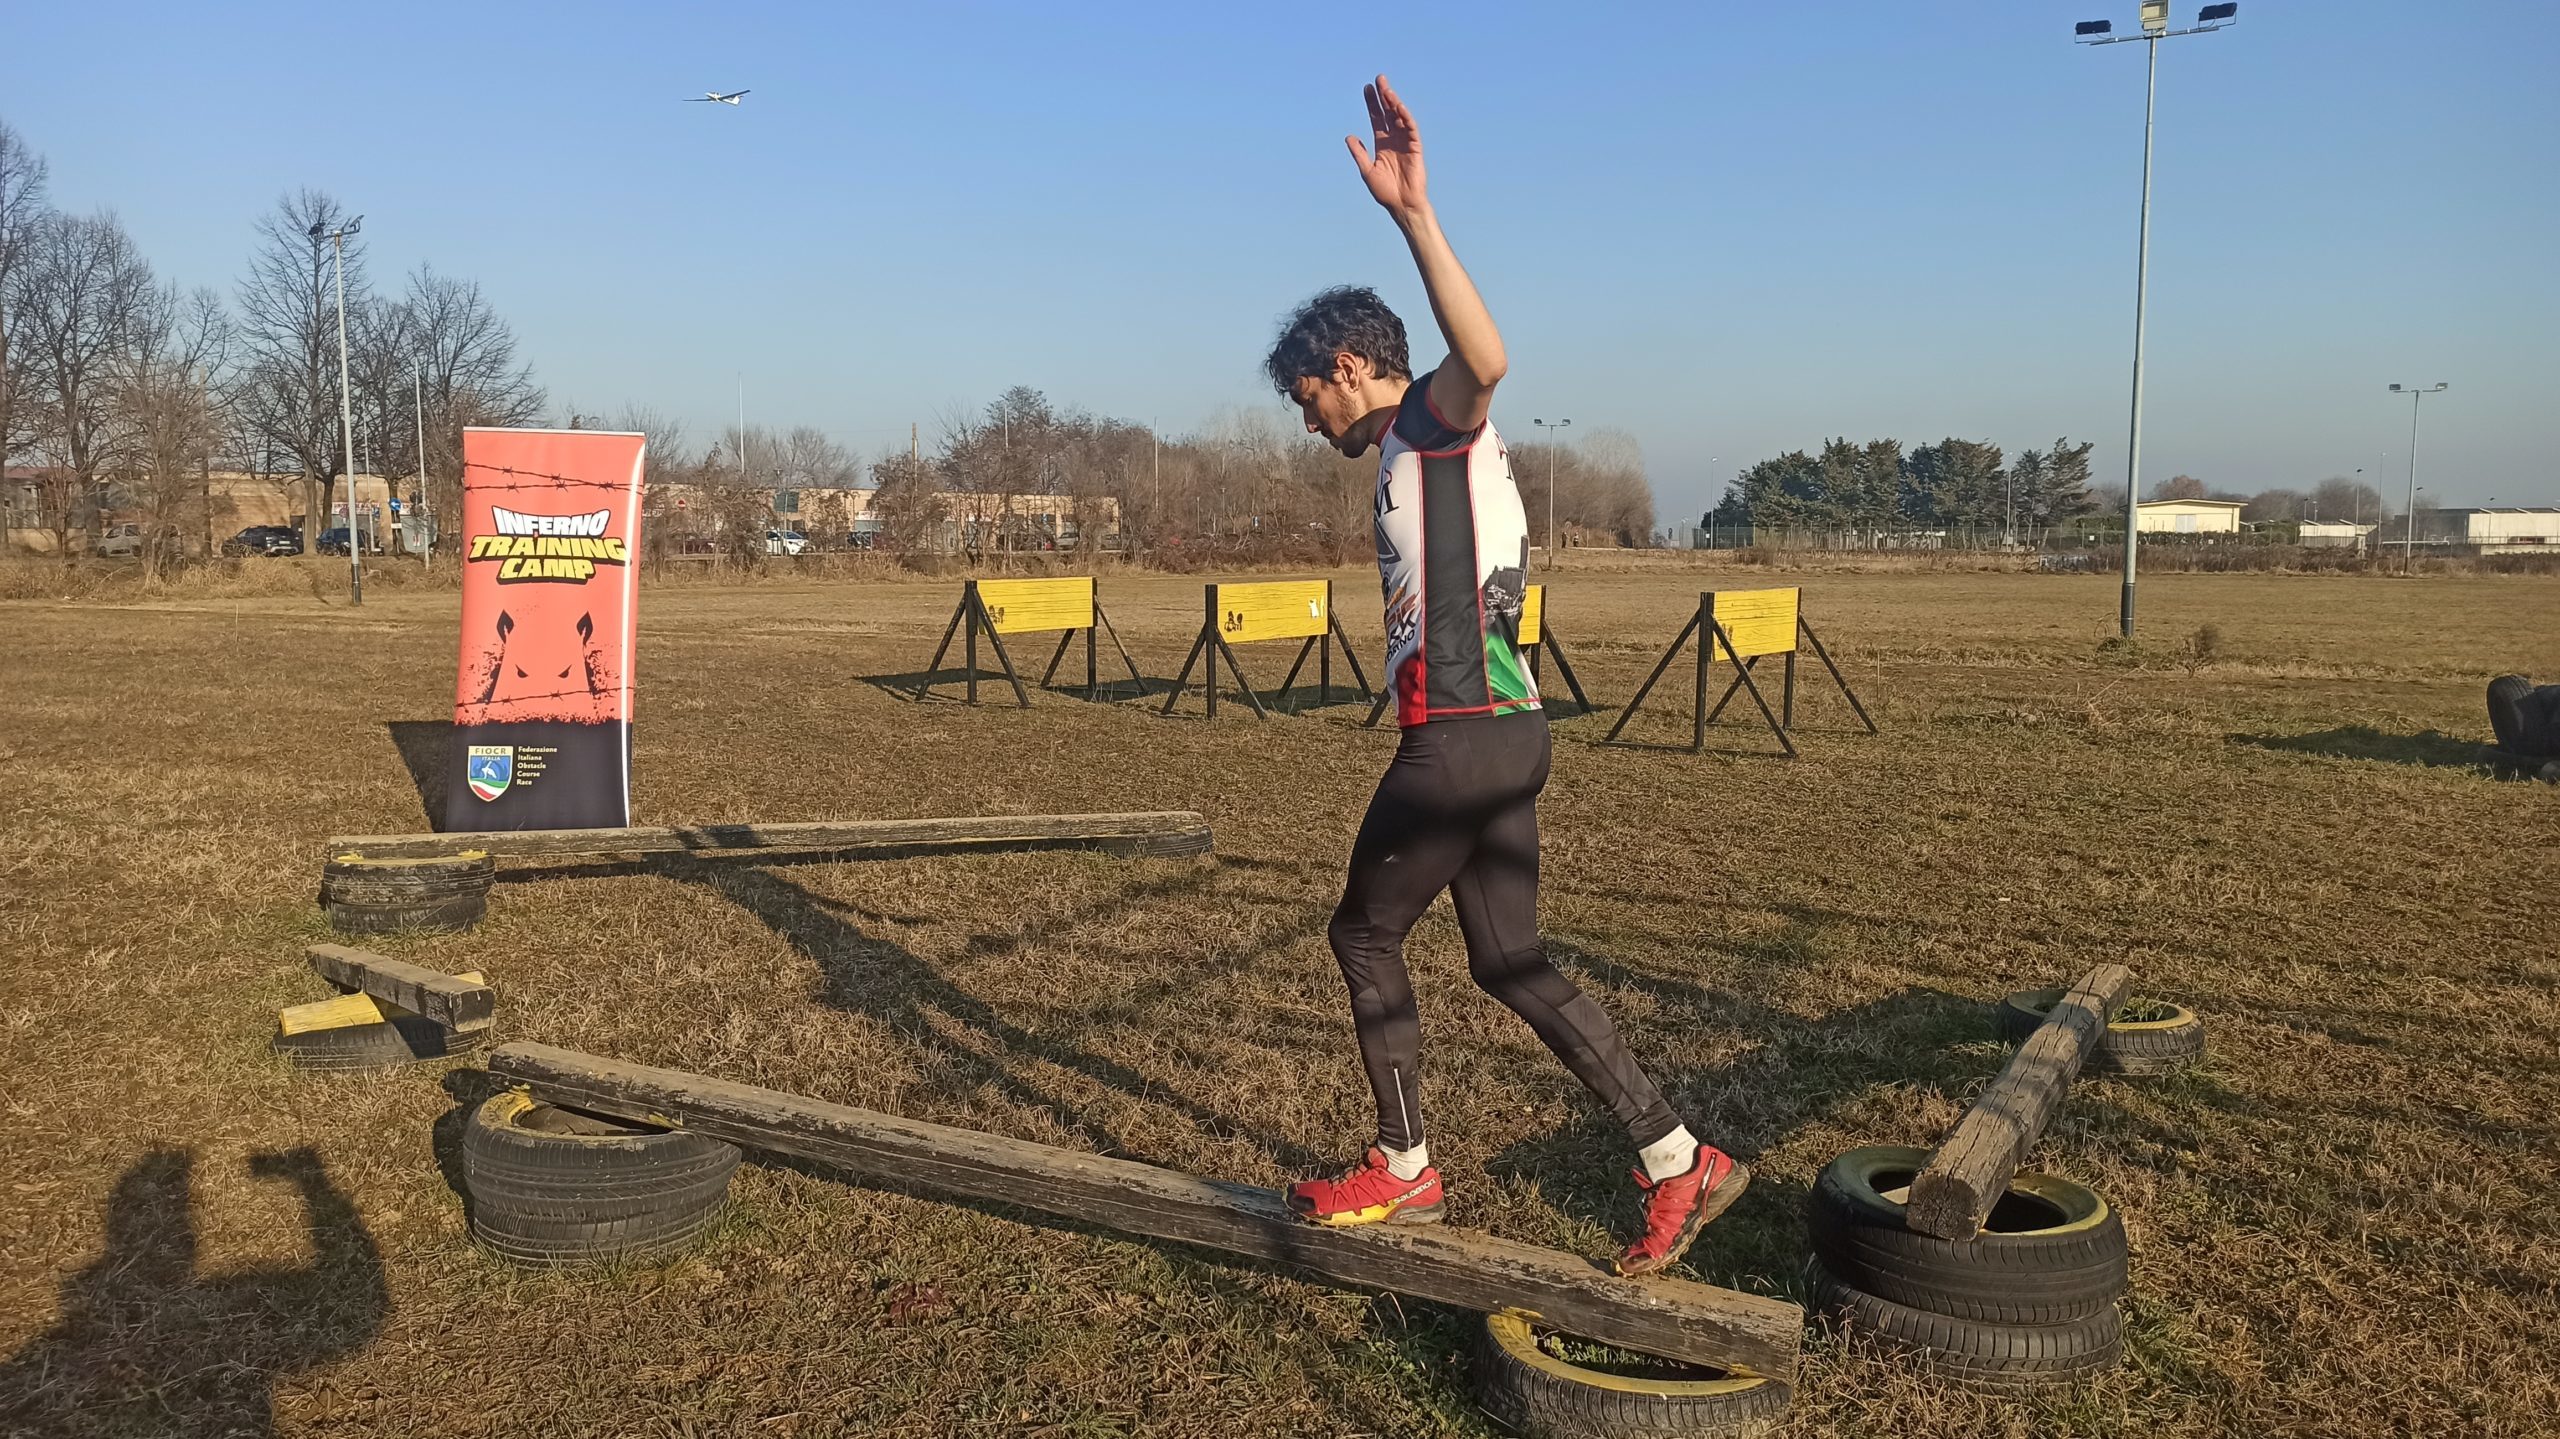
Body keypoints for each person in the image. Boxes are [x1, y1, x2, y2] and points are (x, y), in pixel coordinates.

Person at [1268, 76, 1747, 1277]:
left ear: (1347, 367)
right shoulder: (1412, 456)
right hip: (1507, 729)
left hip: (1462, 735)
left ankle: (1404, 1165)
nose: (1306, 421)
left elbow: (1484, 354)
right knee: (1506, 958)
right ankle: (1678, 1156)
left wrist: (1412, 214)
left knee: (1362, 933)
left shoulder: (1431, 427)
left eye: (1307, 397)